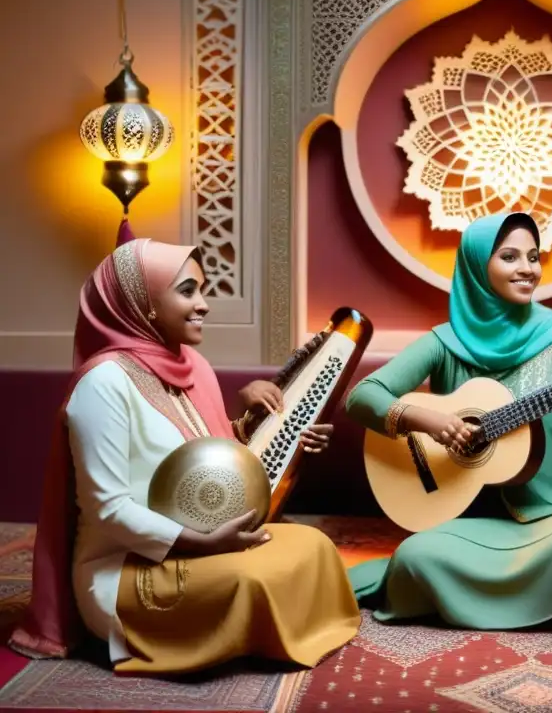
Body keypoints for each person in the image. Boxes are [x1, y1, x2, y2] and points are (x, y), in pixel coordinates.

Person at [9, 239, 361, 674]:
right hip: (124, 566)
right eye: (188, 290)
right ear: (145, 303)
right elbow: (109, 509)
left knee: (314, 546)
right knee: (251, 579)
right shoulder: (102, 384)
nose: (205, 305)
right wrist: (202, 543)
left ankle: (254, 630)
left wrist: (262, 427)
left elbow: (202, 456)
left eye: (203, 289)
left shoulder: (193, 366)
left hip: (200, 541)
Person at [344, 212, 552, 628]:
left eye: (534, 257)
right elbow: (361, 397)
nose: (527, 269)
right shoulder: (445, 342)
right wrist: (428, 421)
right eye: (509, 257)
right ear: (477, 267)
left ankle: (481, 601)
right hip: (468, 521)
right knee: (414, 557)